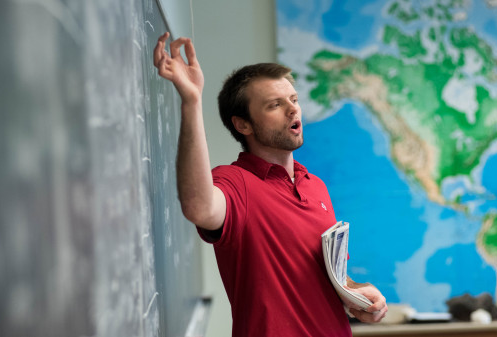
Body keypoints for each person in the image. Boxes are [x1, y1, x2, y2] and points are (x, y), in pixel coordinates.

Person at [153, 32, 388, 337]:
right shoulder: (235, 183)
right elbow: (199, 205)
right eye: (274, 105)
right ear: (243, 124)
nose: (293, 110)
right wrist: (192, 101)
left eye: (293, 100)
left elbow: (330, 277)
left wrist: (358, 294)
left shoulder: (315, 186)